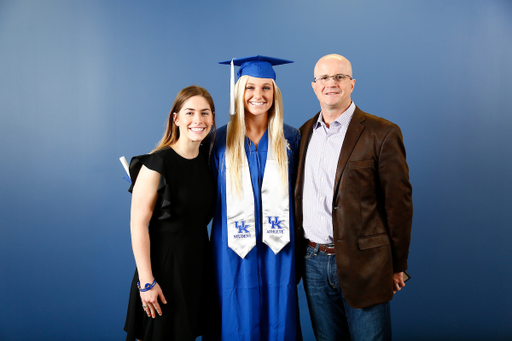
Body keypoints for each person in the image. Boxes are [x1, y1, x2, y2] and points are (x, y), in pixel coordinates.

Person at [294, 54, 413, 341]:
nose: (331, 83)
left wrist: (398, 265)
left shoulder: (382, 133)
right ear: (314, 86)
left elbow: (398, 205)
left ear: (352, 84)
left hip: (366, 263)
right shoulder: (302, 134)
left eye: (339, 77)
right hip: (313, 261)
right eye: (324, 78)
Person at [206, 56, 301, 341]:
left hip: (279, 246)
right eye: (249, 88)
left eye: (266, 88)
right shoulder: (218, 141)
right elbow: (201, 191)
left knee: (279, 314)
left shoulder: (291, 138)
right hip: (232, 247)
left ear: (275, 94)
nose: (258, 96)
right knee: (237, 314)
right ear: (238, 91)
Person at [124, 85, 219, 341]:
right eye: (189, 113)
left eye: (205, 113)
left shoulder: (209, 160)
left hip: (197, 264)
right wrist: (147, 282)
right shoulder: (157, 163)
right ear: (175, 119)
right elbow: (138, 225)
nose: (198, 120)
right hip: (163, 268)